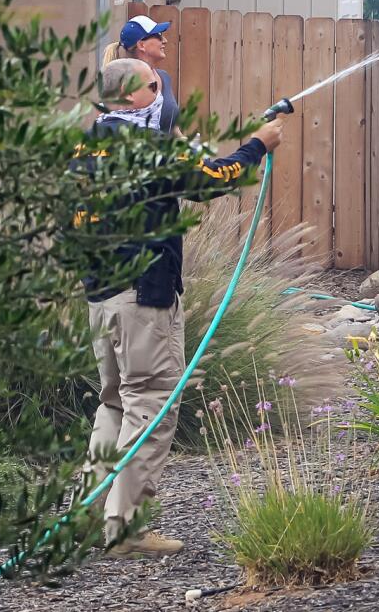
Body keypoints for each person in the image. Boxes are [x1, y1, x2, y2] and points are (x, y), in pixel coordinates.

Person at [78, 57, 283, 555]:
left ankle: (91, 512)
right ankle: (123, 529)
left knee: (115, 402)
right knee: (150, 403)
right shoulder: (149, 147)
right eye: (154, 85)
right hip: (143, 299)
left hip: (102, 299)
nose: (162, 91)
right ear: (131, 96)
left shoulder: (89, 143)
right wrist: (259, 144)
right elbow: (213, 178)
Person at [103, 15, 180, 133]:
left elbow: (173, 127)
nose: (165, 40)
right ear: (141, 45)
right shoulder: (120, 80)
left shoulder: (164, 77)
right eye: (158, 36)